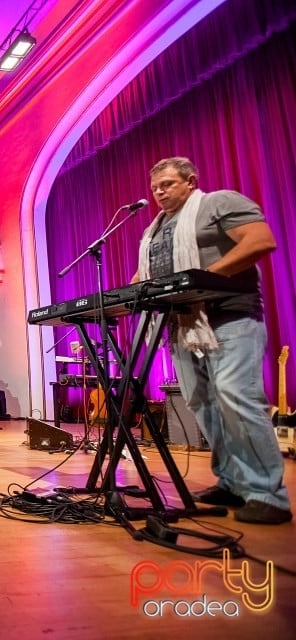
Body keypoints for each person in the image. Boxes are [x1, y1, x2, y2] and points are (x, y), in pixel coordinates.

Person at [133, 156, 290, 524]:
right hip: (183, 324)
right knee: (202, 403)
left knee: (236, 397)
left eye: (168, 184)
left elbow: (260, 240)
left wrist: (200, 278)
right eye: (155, 187)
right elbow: (146, 274)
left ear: (190, 181)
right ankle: (234, 482)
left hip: (230, 317)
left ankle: (268, 495)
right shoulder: (155, 230)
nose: (159, 192)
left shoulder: (219, 202)